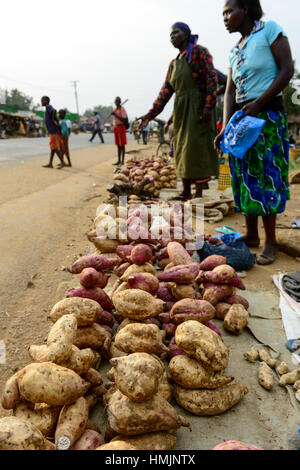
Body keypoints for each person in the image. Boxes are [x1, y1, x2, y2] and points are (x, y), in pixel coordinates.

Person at [214, 0, 294, 265]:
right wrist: (225, 126)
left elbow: (287, 69)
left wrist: (259, 104)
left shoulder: (269, 30)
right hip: (242, 120)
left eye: (229, 12)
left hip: (267, 116)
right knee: (243, 174)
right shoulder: (234, 50)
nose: (225, 17)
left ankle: (271, 241)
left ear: (245, 9)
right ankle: (251, 235)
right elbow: (229, 91)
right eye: (223, 13)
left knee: (267, 175)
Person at [139, 22, 218, 200]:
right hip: (181, 112)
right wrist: (149, 116)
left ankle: (198, 193)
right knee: (182, 149)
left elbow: (212, 80)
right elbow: (164, 93)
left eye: (176, 32)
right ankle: (185, 192)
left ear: (187, 34)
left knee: (197, 149)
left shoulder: (199, 52)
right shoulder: (174, 64)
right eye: (170, 35)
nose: (172, 37)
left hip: (198, 108)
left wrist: (207, 106)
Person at [41, 96, 65, 169]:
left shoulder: (48, 106)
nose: (41, 102)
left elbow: (54, 111)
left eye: (42, 101)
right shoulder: (47, 107)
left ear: (46, 101)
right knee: (53, 148)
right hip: (52, 131)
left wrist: (53, 120)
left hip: (54, 131)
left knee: (54, 147)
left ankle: (62, 162)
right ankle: (50, 163)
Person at [112, 97, 128, 166]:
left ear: (120, 102)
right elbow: (115, 119)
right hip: (116, 127)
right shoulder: (115, 109)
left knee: (122, 145)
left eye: (118, 101)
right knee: (118, 145)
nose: (116, 103)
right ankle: (118, 160)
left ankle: (122, 161)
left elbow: (124, 119)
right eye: (115, 101)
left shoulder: (122, 109)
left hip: (121, 127)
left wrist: (116, 115)